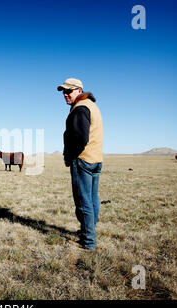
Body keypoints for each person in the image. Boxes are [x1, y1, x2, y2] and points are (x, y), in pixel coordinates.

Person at [57, 78, 103, 250]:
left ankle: (88, 241)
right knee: (92, 199)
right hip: (95, 159)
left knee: (83, 201)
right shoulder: (92, 106)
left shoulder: (80, 108)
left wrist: (69, 156)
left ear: (79, 90)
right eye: (63, 92)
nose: (65, 95)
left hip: (82, 160)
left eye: (69, 91)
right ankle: (88, 231)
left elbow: (80, 139)